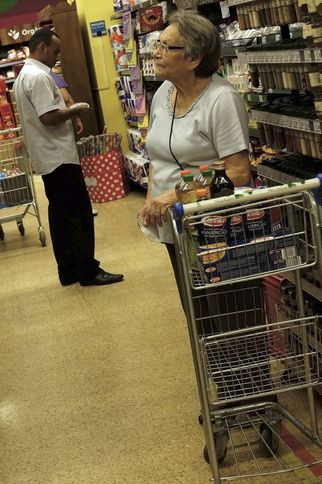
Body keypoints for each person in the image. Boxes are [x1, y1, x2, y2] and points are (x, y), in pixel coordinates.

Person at [138, 10, 251, 303]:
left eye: (166, 47)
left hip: (214, 227)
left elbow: (238, 173)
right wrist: (152, 198)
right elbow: (158, 156)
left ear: (193, 59)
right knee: (194, 308)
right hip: (174, 222)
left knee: (225, 310)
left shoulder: (221, 99)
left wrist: (176, 196)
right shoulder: (163, 93)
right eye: (157, 44)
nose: (156, 53)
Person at [14, 28, 123, 286]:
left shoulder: (23, 76)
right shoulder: (40, 77)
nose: (57, 56)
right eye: (55, 51)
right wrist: (75, 109)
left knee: (61, 215)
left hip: (46, 156)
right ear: (42, 49)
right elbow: (48, 117)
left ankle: (68, 270)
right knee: (79, 212)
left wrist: (67, 114)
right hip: (59, 156)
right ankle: (88, 270)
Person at [49, 69, 98, 217]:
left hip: (48, 141)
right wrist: (76, 116)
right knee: (71, 170)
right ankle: (83, 207)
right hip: (62, 130)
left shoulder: (30, 75)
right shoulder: (51, 74)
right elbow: (67, 99)